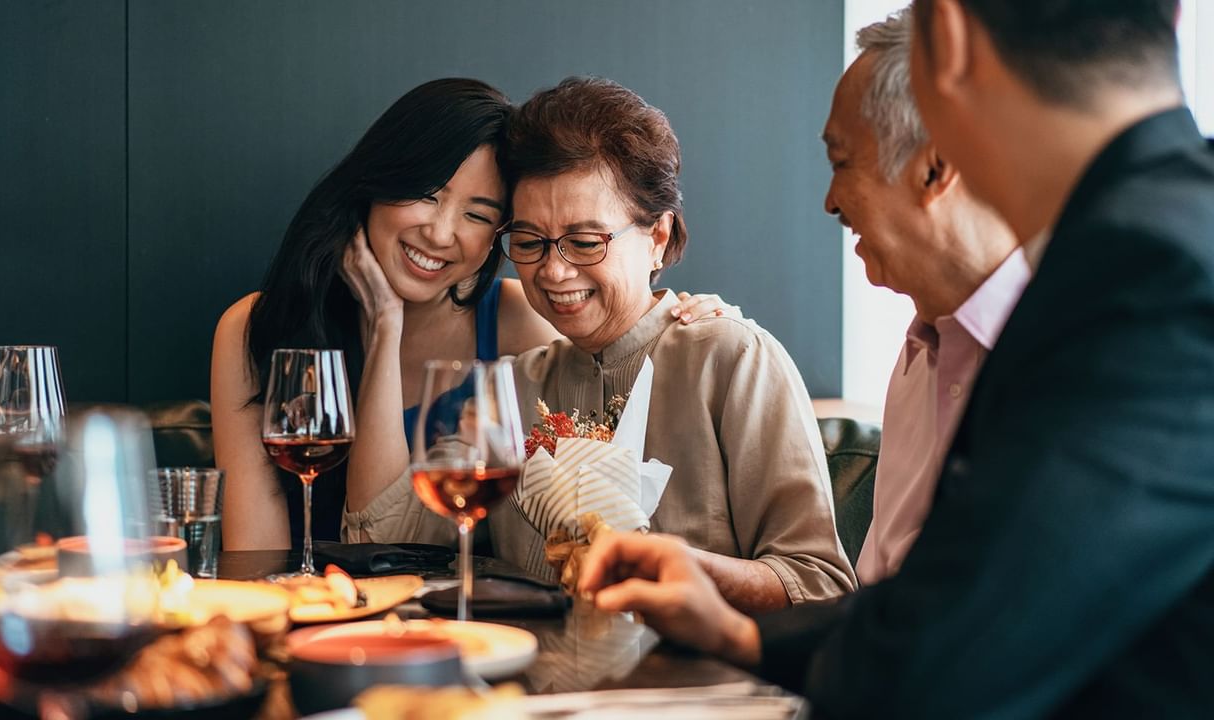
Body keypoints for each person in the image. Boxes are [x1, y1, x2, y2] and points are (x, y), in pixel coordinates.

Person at [579, 1, 1214, 716]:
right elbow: (963, 591)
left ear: (948, 37)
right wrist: (739, 633)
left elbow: (957, 655)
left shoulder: (1146, 273)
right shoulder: (1160, 233)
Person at [360, 76, 856, 613]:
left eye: (585, 242)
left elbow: (820, 583)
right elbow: (378, 540)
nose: (553, 270)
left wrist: (673, 564)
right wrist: (388, 317)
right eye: (529, 242)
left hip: (696, 687)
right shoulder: (519, 386)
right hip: (536, 688)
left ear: (658, 237)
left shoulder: (732, 362)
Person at [212, 78, 728, 551]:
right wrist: (383, 323)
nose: (440, 234)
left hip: (481, 628)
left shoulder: (521, 320)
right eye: (425, 195)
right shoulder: (255, 327)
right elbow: (256, 559)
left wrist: (681, 316)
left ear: (498, 237)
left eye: (478, 215)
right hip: (315, 618)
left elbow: (616, 404)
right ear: (375, 184)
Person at [823, 9, 1025, 584]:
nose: (830, 202)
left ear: (935, 166)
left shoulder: (1064, 347)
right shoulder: (917, 357)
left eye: (842, 163)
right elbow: (879, 597)